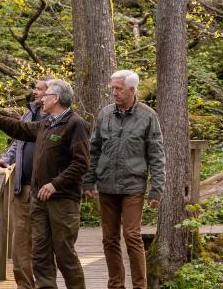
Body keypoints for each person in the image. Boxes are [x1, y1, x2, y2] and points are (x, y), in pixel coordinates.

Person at [0, 78, 89, 289]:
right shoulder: (46, 124)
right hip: (39, 200)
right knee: (40, 254)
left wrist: (55, 184)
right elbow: (19, 128)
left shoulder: (76, 124)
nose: (41, 99)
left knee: (64, 254)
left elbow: (81, 163)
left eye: (46, 94)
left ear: (56, 98)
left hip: (62, 200)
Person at [83, 70, 165, 289]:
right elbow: (94, 149)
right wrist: (88, 181)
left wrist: (156, 190)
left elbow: (156, 155)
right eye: (112, 88)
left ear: (132, 89)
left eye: (118, 88)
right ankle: (115, 284)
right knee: (109, 238)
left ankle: (140, 285)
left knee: (131, 235)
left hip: (133, 186)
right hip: (107, 185)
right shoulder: (105, 114)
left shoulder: (148, 116)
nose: (114, 92)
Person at [0, 78, 49, 289]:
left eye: (39, 89)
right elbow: (18, 141)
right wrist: (7, 159)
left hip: (46, 190)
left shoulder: (59, 118)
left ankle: (44, 284)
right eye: (36, 89)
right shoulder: (29, 113)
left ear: (51, 94)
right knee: (20, 242)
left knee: (41, 241)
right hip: (21, 187)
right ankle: (24, 285)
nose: (35, 93)